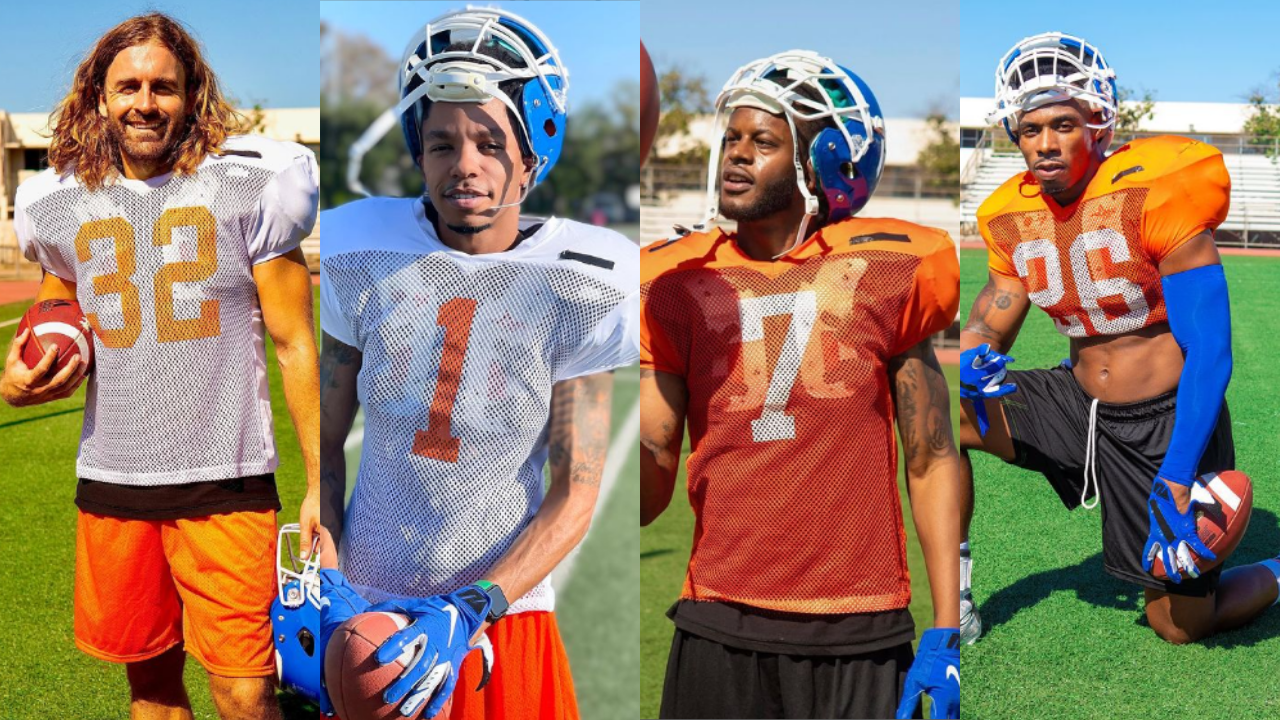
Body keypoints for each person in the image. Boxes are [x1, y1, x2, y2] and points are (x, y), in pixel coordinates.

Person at [317, 7, 638, 719]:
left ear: (531, 152)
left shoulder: (581, 279)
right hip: (365, 611)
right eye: (442, 143)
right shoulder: (359, 249)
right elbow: (323, 447)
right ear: (417, 151)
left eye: (490, 143)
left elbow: (575, 492)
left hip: (500, 619)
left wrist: (472, 609)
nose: (465, 165)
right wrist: (327, 572)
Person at [1, 12, 320, 720]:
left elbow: (296, 341)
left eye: (163, 87)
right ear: (99, 97)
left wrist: (320, 483)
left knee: (244, 692)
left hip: (226, 478)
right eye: (129, 87)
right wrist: (18, 371)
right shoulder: (54, 202)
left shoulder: (249, 186)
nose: (145, 103)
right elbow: (56, 308)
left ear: (191, 94)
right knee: (150, 691)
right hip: (115, 479)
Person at [640, 50, 962, 720]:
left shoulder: (883, 269)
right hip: (720, 614)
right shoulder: (677, 283)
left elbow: (931, 458)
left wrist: (947, 626)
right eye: (732, 138)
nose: (735, 155)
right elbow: (648, 490)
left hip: (860, 623)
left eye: (763, 141)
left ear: (824, 162)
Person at [959, 31, 1280, 646]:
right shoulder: (1011, 212)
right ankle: (956, 597)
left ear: (1099, 126)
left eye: (1062, 124)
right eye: (1030, 130)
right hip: (1076, 402)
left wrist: (1180, 472)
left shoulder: (1157, 190)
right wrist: (975, 352)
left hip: (1163, 418)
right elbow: (993, 314)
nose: (1045, 144)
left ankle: (1272, 574)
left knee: (1181, 626)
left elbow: (1210, 353)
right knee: (939, 409)